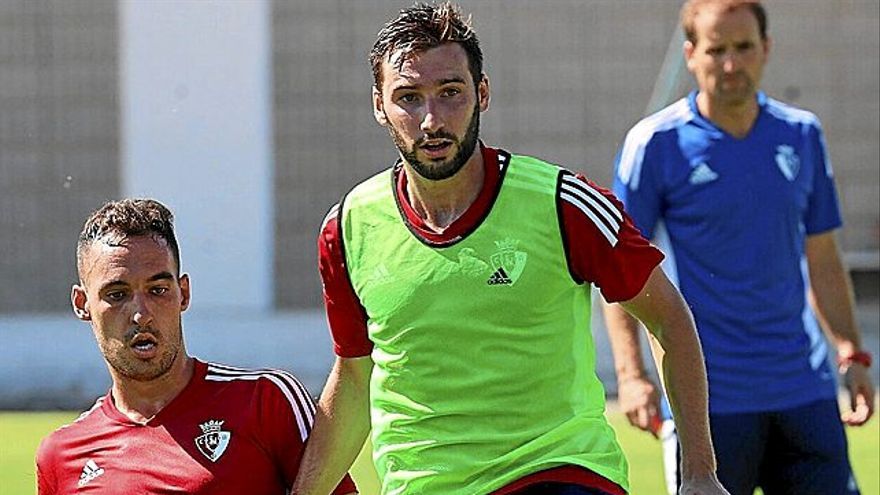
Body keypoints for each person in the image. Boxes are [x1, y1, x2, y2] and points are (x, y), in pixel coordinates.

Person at [292, 3, 728, 494]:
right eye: (409, 98)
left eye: (450, 93)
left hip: (559, 472)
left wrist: (699, 475)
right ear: (379, 105)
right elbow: (354, 378)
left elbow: (669, 319)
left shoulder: (563, 204)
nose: (432, 119)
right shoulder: (347, 228)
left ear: (482, 93)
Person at [602, 1, 875, 494]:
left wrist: (851, 352)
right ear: (691, 54)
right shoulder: (655, 144)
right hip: (707, 402)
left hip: (805, 393)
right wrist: (633, 374)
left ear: (766, 49)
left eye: (744, 47)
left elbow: (824, 259)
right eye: (716, 49)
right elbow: (618, 269)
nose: (731, 63)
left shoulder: (801, 134)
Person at [35, 198, 357, 495]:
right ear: (83, 304)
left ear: (183, 293)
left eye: (158, 290)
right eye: (117, 294)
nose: (140, 314)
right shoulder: (61, 457)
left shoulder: (267, 401)